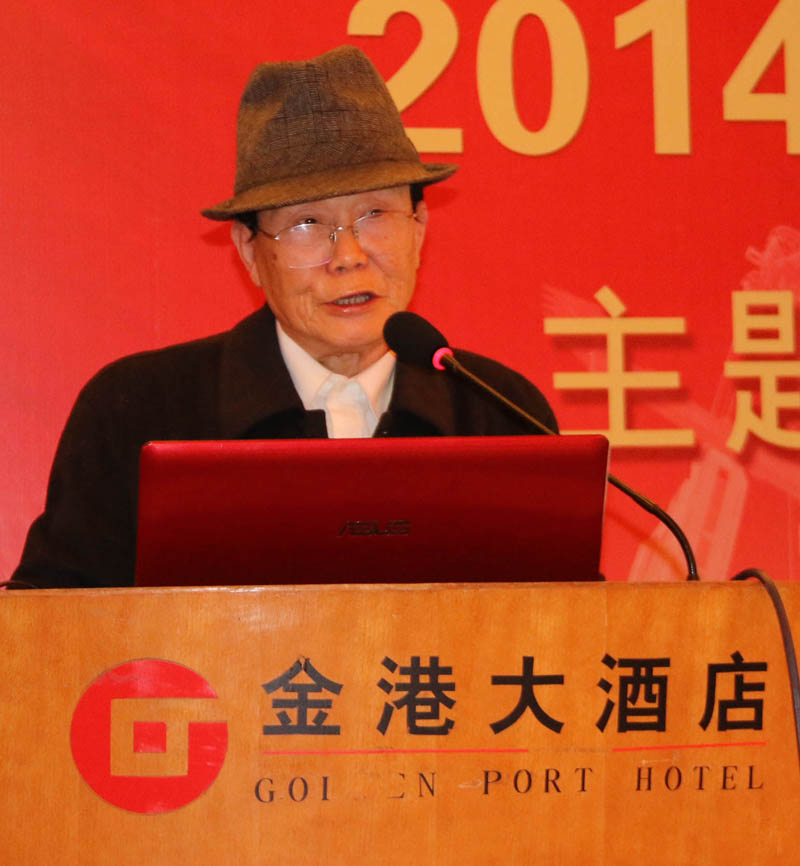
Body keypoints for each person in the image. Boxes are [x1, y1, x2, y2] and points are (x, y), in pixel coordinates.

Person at [10, 45, 557, 589]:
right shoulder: (140, 410)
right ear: (249, 251)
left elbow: (564, 618)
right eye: (307, 224)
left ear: (418, 229)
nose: (348, 256)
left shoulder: (500, 413)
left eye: (375, 214)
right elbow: (52, 624)